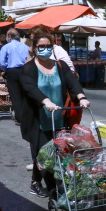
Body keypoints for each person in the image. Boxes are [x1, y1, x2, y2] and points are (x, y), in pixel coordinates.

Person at [20, 31, 89, 198]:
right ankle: (54, 190)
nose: (45, 49)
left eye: (48, 46)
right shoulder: (28, 68)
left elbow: (72, 82)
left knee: (52, 153)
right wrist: (45, 101)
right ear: (34, 49)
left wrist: (81, 97)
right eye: (41, 46)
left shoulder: (60, 66)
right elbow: (30, 88)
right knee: (46, 154)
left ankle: (35, 183)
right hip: (38, 118)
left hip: (58, 117)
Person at [0, 28, 30, 127]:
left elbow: (1, 62)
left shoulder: (6, 47)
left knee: (15, 95)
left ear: (9, 37)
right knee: (25, 94)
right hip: (25, 71)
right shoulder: (25, 47)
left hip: (12, 71)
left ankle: (20, 118)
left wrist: (6, 69)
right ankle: (27, 116)